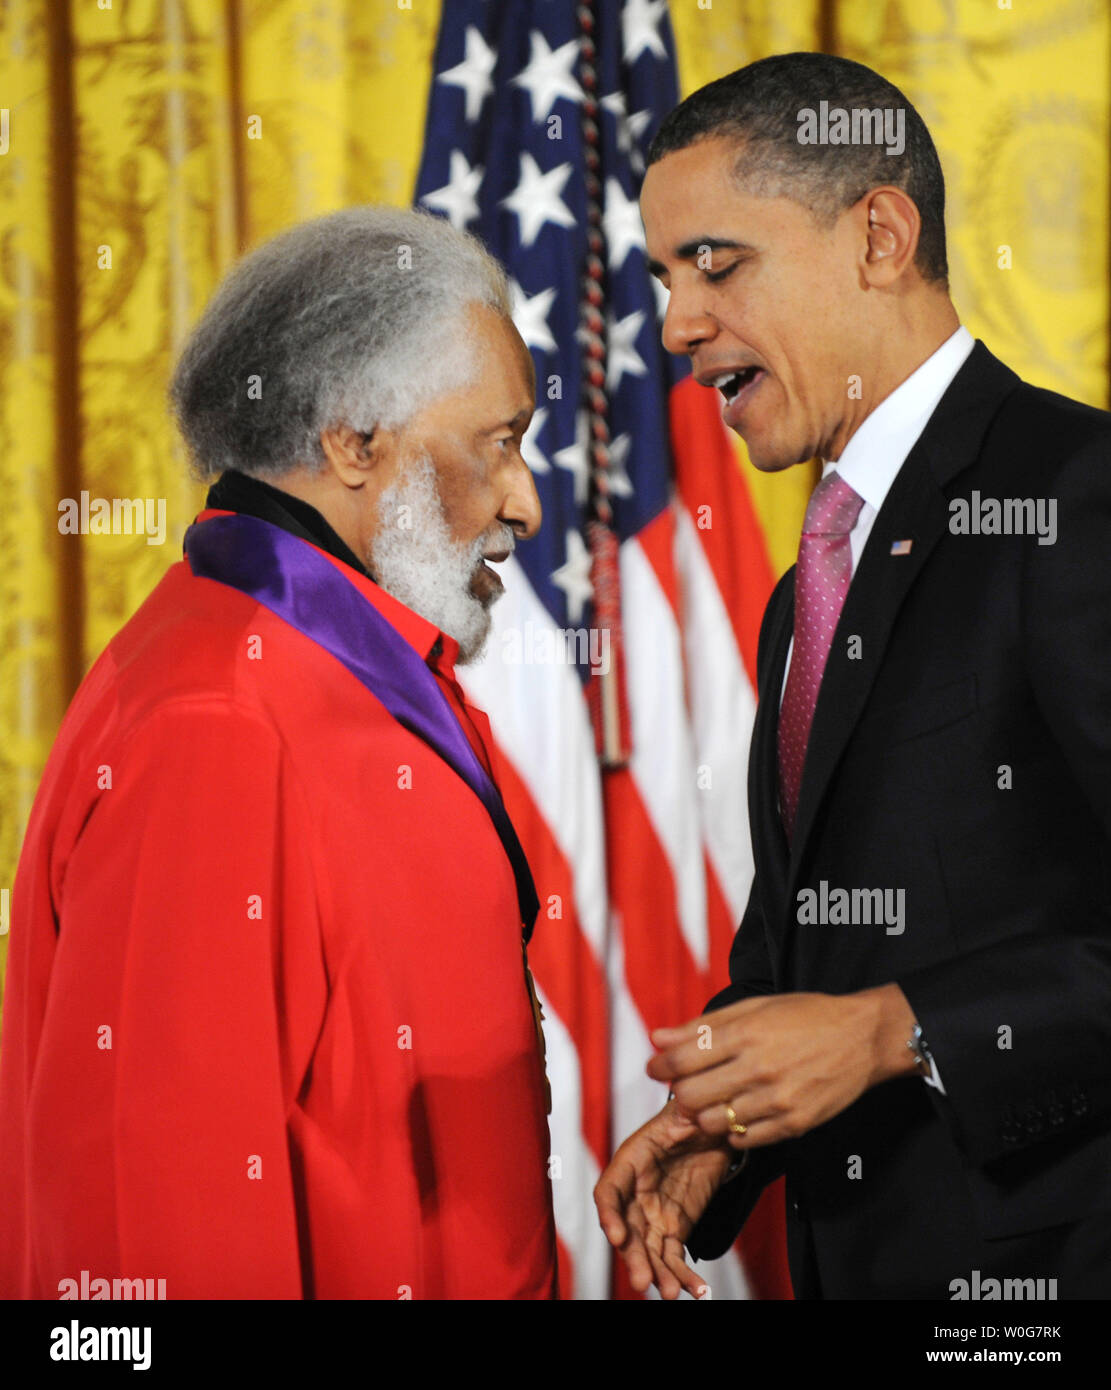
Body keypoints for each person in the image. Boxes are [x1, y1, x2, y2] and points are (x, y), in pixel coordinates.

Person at [596, 52, 1111, 1300]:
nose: (673, 325)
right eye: (664, 278)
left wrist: (896, 1029)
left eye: (715, 263)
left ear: (880, 235)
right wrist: (726, 1127)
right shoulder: (806, 588)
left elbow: (877, 1011)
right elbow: (811, 953)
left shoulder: (1074, 495)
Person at [0, 205, 558, 1299]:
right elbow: (153, 1220)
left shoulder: (337, 674)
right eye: (500, 441)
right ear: (354, 441)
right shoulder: (213, 725)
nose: (525, 501)